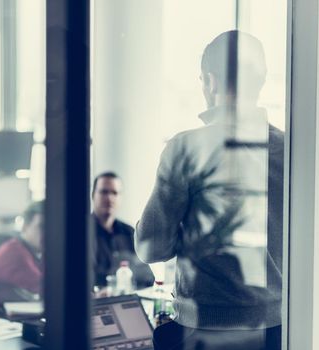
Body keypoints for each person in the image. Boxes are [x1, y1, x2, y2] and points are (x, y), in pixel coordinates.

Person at [134, 30, 283, 349]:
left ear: (210, 82)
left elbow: (151, 247)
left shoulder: (187, 148)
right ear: (261, 80)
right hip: (279, 329)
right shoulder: (292, 150)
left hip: (207, 330)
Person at [0, 201, 44, 314]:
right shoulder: (13, 253)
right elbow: (47, 289)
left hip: (13, 317)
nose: (50, 232)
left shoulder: (37, 251)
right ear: (25, 227)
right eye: (42, 226)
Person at [91, 172, 154, 290]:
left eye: (115, 193)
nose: (109, 198)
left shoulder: (129, 232)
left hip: (125, 303)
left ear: (120, 197)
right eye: (104, 192)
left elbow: (147, 279)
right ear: (93, 195)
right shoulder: (81, 232)